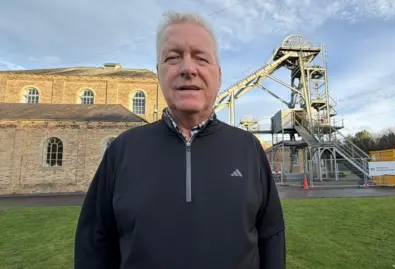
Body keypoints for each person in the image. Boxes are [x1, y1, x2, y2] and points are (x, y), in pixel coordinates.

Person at [74, 11, 286, 269]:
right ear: (159, 72)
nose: (188, 69)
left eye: (201, 58)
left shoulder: (249, 148)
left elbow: (272, 236)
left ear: (218, 75)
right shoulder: (123, 149)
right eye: (173, 58)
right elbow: (94, 245)